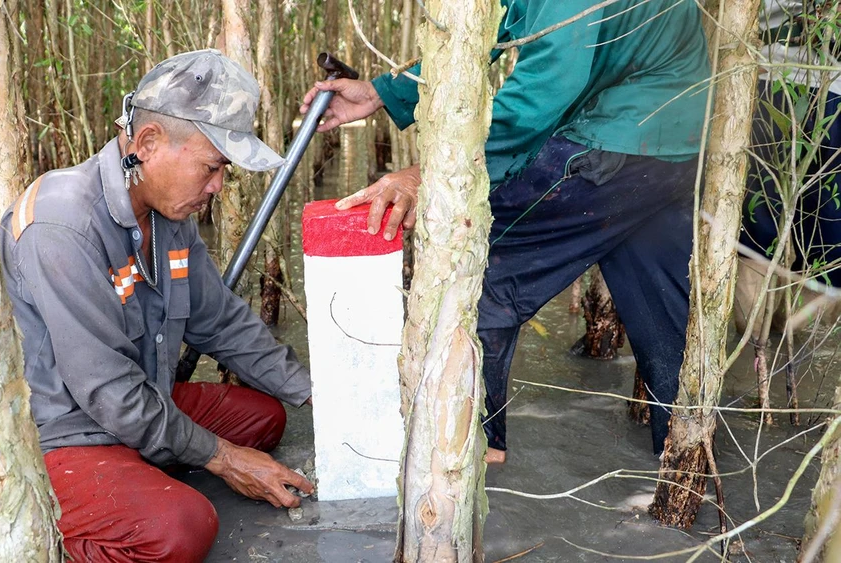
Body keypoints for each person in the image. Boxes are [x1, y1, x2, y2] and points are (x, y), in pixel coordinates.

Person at [302, 1, 711, 461]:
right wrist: (382, 92)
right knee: (665, 317)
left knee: (479, 271)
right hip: (678, 146)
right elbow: (485, 30)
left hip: (612, 142)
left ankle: (469, 453)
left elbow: (542, 93)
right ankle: (687, 466)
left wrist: (433, 172)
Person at [0, 49, 313, 562]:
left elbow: (221, 323)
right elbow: (108, 393)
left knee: (265, 419)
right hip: (60, 431)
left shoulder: (169, 214)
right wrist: (223, 459)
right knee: (182, 529)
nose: (217, 187)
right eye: (212, 167)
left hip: (138, 396)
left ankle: (138, 470)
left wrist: (314, 392)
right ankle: (51, 528)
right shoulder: (61, 225)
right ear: (147, 143)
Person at [740, 0, 841, 287]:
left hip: (818, 85)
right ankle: (759, 322)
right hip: (774, 81)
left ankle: (799, 322)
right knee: (763, 218)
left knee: (824, 222)